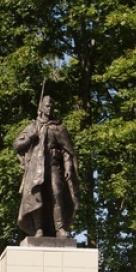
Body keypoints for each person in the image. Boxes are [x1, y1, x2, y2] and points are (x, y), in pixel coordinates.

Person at [15, 95, 80, 238]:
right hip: (36, 167)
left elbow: (67, 150)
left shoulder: (58, 127)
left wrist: (68, 167)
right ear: (41, 108)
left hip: (53, 163)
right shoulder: (33, 126)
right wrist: (30, 136)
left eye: (51, 106)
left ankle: (60, 228)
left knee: (56, 193)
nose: (49, 108)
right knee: (37, 195)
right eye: (46, 106)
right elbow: (17, 144)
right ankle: (39, 229)